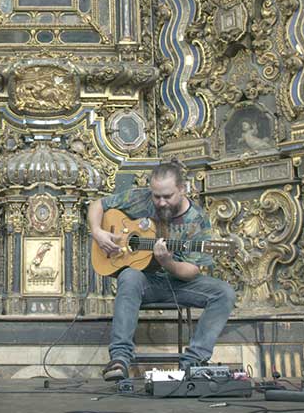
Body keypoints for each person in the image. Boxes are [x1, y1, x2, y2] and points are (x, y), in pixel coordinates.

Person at [88, 160, 236, 381]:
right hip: (146, 282)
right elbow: (97, 204)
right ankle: (119, 359)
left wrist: (167, 262)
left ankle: (193, 361)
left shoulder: (197, 220)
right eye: (156, 196)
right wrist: (98, 232)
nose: (161, 202)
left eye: (167, 196)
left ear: (182, 189)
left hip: (180, 283)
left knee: (224, 293)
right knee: (129, 275)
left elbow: (191, 271)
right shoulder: (141, 198)